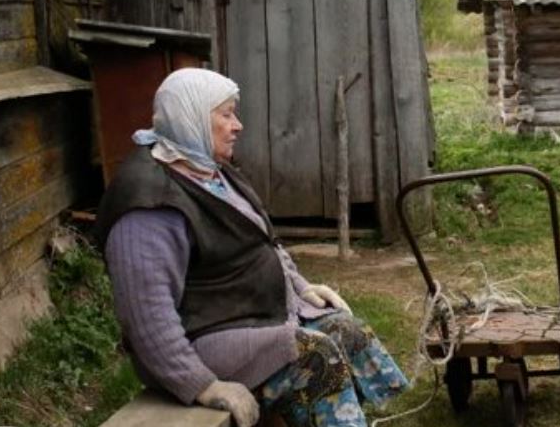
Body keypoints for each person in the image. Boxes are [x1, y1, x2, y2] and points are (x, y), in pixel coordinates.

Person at [94, 68, 409, 427]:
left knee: (346, 330)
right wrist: (203, 386)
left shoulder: (209, 170)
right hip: (203, 342)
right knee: (317, 356)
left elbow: (264, 243)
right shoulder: (148, 203)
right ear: (191, 117)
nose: (238, 125)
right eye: (226, 114)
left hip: (254, 318)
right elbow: (146, 319)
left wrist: (301, 288)